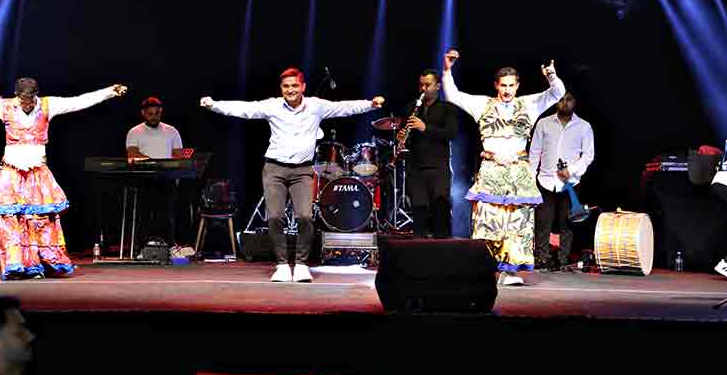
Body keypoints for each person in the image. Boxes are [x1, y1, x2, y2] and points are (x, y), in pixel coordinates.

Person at [0, 78, 128, 280]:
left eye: (31, 99)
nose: (28, 103)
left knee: (40, 219)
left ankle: (40, 263)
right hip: (12, 171)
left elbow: (79, 101)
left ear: (36, 95)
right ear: (17, 95)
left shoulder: (48, 105)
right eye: (24, 99)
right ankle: (15, 265)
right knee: (10, 219)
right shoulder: (4, 106)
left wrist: (109, 91)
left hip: (36, 172)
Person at [201, 68, 384, 282]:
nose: (291, 90)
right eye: (286, 86)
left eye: (295, 85)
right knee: (275, 217)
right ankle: (281, 265)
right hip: (274, 169)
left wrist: (370, 104)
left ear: (303, 87)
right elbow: (245, 109)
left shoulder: (315, 106)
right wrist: (214, 105)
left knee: (305, 217)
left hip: (302, 171)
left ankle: (301, 264)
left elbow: (343, 107)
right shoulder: (272, 105)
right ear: (281, 88)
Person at [442, 50, 565, 286]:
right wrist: (447, 70)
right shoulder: (482, 104)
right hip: (492, 170)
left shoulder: (528, 104)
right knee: (488, 221)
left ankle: (510, 272)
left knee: (518, 223)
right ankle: (485, 268)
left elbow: (557, 93)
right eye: (503, 85)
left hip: (518, 172)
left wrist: (551, 76)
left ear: (517, 86)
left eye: (511, 85)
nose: (507, 90)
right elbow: (453, 95)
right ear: (496, 86)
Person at [529, 90, 595, 270]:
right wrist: (530, 179)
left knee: (567, 223)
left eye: (569, 99)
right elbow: (534, 152)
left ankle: (563, 258)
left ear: (575, 101)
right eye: (561, 99)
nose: (565, 103)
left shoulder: (584, 126)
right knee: (543, 222)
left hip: (570, 183)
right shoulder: (543, 123)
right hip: (545, 180)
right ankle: (542, 257)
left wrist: (571, 170)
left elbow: (588, 156)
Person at [396, 70, 459, 238]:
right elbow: (407, 137)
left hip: (438, 167)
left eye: (428, 85)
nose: (423, 89)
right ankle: (418, 245)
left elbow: (451, 133)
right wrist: (402, 137)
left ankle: (443, 248)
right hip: (415, 166)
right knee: (418, 210)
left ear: (438, 86)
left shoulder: (448, 109)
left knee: (440, 210)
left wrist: (425, 128)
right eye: (421, 85)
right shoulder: (410, 108)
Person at [125, 97, 183, 247]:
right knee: (144, 215)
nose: (154, 117)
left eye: (156, 113)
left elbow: (178, 156)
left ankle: (170, 248)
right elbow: (132, 154)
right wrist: (156, 163)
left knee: (167, 216)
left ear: (161, 111)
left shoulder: (172, 131)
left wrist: (166, 167)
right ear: (143, 113)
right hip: (144, 178)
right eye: (150, 114)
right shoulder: (135, 132)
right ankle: (141, 249)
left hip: (167, 179)